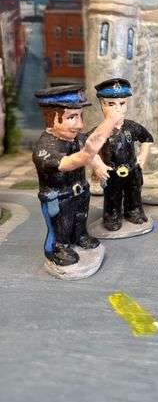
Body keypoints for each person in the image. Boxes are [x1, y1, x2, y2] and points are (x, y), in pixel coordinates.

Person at [32, 85, 120, 267]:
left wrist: (98, 165)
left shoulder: (76, 138)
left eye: (80, 116)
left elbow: (90, 152)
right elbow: (71, 162)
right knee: (61, 225)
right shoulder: (44, 147)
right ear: (52, 118)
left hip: (80, 191)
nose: (79, 125)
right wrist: (89, 152)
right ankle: (59, 247)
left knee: (80, 218)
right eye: (71, 117)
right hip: (59, 198)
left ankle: (80, 236)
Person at [93, 78, 154, 231]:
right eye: (111, 104)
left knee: (134, 191)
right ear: (102, 104)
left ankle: (133, 211)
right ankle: (112, 215)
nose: (117, 109)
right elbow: (88, 149)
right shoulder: (100, 131)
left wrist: (142, 156)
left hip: (132, 169)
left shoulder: (132, 127)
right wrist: (98, 165)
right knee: (113, 195)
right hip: (111, 171)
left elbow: (147, 139)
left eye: (122, 103)